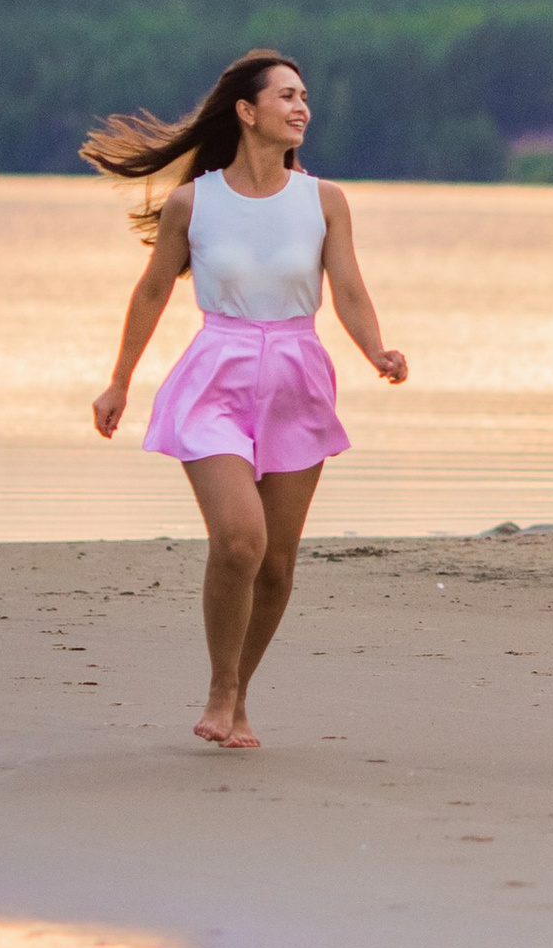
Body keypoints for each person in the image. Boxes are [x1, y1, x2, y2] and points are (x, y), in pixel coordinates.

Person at [87, 49, 407, 748]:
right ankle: (220, 689)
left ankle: (242, 693)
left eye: (305, 99)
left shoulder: (324, 200)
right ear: (246, 110)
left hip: (298, 375)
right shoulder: (193, 202)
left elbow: (347, 287)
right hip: (217, 374)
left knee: (278, 564)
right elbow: (150, 291)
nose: (301, 109)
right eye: (287, 96)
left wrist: (376, 349)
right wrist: (120, 380)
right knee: (240, 541)